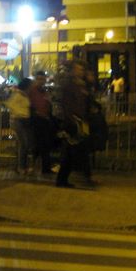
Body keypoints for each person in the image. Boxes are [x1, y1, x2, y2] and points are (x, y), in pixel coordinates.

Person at [54, 60, 95, 189]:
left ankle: (75, 176)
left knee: (79, 149)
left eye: (81, 69)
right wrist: (71, 119)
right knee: (72, 150)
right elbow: (67, 105)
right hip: (73, 122)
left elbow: (87, 101)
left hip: (81, 121)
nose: (80, 72)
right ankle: (64, 178)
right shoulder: (69, 85)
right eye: (78, 69)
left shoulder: (81, 85)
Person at [27, 71, 54, 175]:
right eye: (39, 79)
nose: (41, 81)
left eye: (42, 79)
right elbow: (29, 105)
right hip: (36, 120)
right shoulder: (32, 91)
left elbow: (47, 104)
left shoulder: (44, 91)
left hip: (44, 120)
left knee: (45, 145)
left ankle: (45, 168)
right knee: (37, 145)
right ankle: (34, 166)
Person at [6, 77, 33, 175]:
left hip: (24, 121)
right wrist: (20, 113)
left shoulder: (25, 95)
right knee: (23, 144)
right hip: (18, 121)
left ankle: (21, 166)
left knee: (23, 144)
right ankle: (21, 167)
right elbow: (10, 104)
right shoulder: (18, 94)